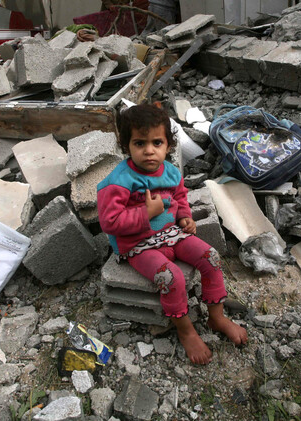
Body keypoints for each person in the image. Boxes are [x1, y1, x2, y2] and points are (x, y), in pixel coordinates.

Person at [96, 104, 248, 365]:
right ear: (126, 146)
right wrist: (146, 212)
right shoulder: (118, 181)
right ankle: (185, 329)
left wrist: (184, 217)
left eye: (157, 142)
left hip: (171, 234)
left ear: (168, 144)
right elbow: (110, 222)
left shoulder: (171, 172)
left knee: (211, 257)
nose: (149, 150)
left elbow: (179, 197)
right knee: (171, 277)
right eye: (139, 143)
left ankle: (217, 316)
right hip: (138, 245)